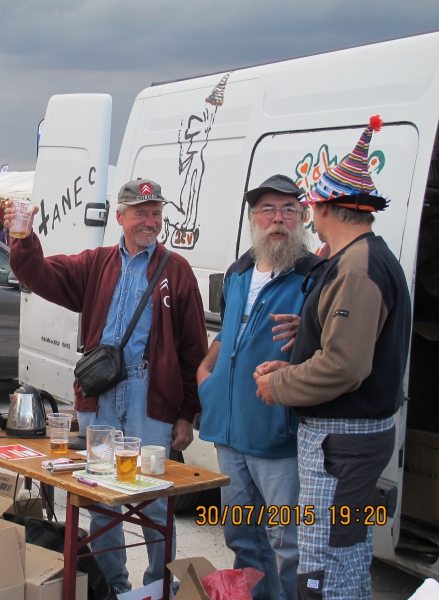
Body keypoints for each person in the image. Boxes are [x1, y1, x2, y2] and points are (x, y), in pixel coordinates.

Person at [5, 179, 207, 593]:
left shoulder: (177, 270)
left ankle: (157, 587)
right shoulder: (96, 263)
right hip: (100, 398)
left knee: (154, 497)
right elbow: (38, 274)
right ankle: (112, 586)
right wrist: (22, 237)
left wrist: (187, 414)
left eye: (155, 213)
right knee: (99, 496)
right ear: (121, 217)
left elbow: (193, 349)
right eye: (141, 213)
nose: (150, 221)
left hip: (150, 396)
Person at [255, 117, 411, 599]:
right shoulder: (360, 258)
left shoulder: (359, 266)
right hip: (347, 444)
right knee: (344, 553)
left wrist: (277, 385)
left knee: (325, 564)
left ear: (325, 207)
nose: (307, 213)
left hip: (340, 444)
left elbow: (345, 365)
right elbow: (348, 342)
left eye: (310, 205)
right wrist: (301, 353)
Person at [197, 174, 320, 600]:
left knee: (288, 543)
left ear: (302, 217)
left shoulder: (313, 276)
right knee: (241, 537)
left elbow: (333, 346)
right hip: (228, 430)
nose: (278, 219)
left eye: (288, 210)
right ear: (254, 218)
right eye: (268, 210)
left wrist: (309, 329)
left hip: (276, 431)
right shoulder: (238, 272)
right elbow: (227, 335)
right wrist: (205, 375)